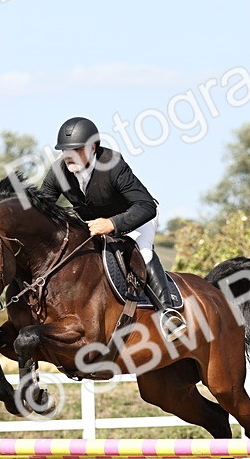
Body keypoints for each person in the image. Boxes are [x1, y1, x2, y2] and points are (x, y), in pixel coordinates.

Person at [39, 116, 187, 341]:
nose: (69, 156)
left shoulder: (113, 164)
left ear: (93, 147)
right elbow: (43, 210)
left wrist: (113, 224)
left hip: (134, 219)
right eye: (65, 150)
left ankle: (168, 313)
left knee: (143, 253)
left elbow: (146, 206)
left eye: (76, 149)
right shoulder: (59, 171)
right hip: (95, 226)